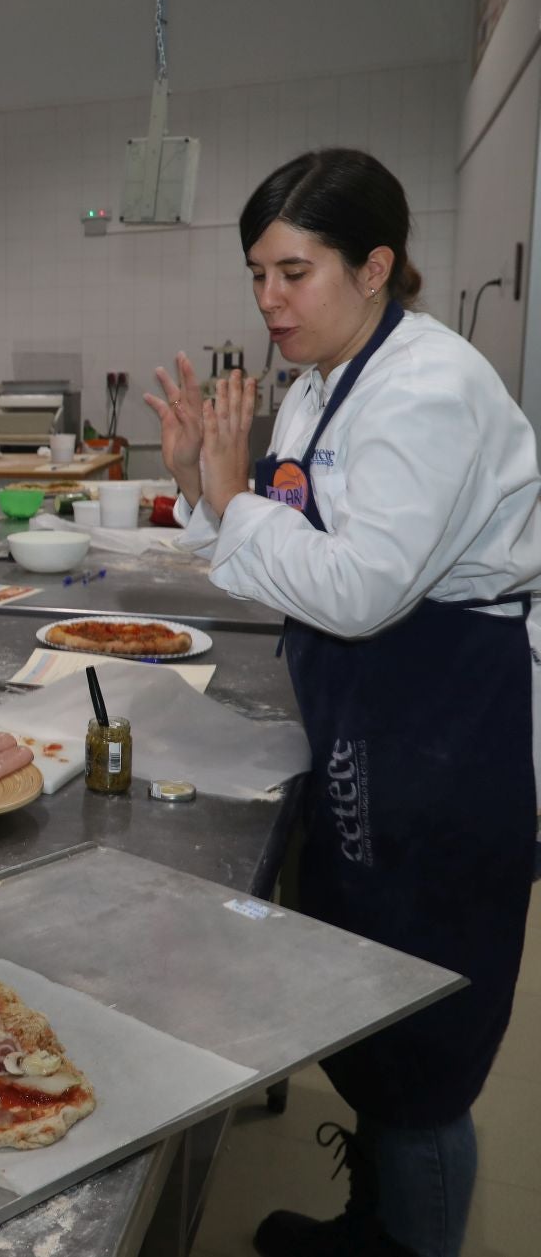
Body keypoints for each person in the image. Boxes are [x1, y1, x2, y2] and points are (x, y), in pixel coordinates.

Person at [147, 148, 540, 1257]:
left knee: (424, 1038)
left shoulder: (429, 388)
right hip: (378, 720)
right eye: (257, 275)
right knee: (367, 991)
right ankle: (371, 1224)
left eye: (294, 272)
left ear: (377, 266)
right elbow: (281, 546)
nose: (269, 300)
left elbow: (361, 588)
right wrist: (197, 488)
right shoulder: (326, 380)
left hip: (445, 727)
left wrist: (228, 502)